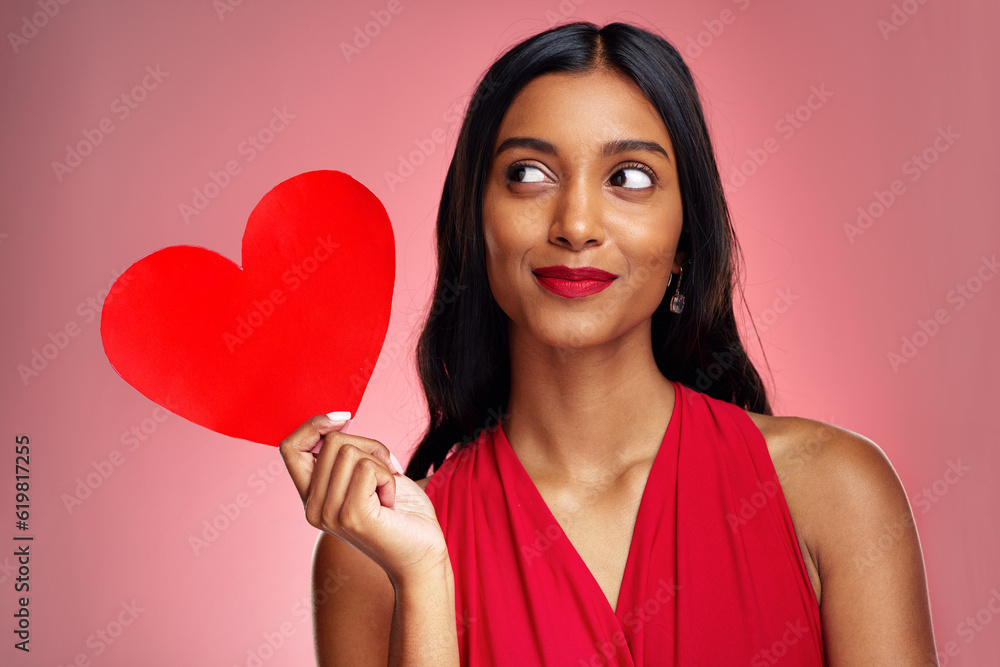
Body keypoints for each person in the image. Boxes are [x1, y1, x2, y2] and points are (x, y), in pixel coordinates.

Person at [279, 21, 938, 666]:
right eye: (529, 173)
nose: (576, 224)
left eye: (629, 178)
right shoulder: (372, 551)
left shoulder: (835, 492)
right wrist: (422, 575)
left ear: (685, 238)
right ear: (476, 220)